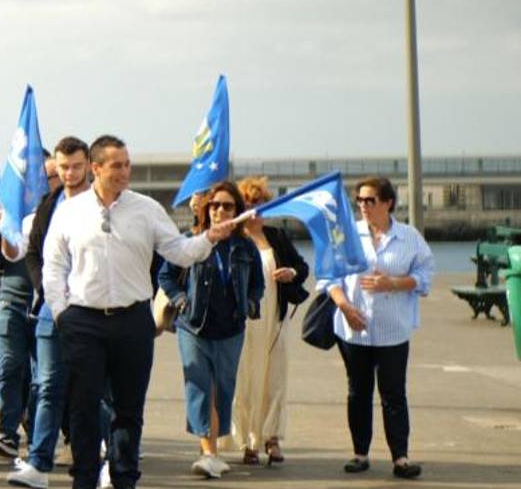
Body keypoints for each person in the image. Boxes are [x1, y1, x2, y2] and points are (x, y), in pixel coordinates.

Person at [42, 135, 235, 489]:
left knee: (128, 411)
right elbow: (53, 267)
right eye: (116, 165)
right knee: (83, 410)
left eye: (127, 164)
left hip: (133, 322)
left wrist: (209, 238)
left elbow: (178, 250)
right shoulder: (70, 212)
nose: (124, 171)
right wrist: (60, 313)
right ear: (96, 168)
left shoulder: (146, 209)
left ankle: (124, 478)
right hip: (82, 322)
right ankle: (83, 480)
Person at [0, 136, 91, 489]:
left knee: (95, 390)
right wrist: (46, 290)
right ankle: (38, 464)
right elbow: (28, 254)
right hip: (52, 309)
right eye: (62, 167)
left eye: (76, 166)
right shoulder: (46, 209)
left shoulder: (105, 205)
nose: (69, 173)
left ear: (90, 166)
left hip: (95, 311)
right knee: (47, 385)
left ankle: (110, 455)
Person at [157, 181, 264, 479]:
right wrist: (180, 300)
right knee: (201, 386)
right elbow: (165, 276)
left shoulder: (245, 247)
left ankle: (211, 447)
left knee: (223, 389)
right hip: (193, 326)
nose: (220, 210)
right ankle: (209, 452)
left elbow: (258, 283)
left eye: (227, 205)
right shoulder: (191, 240)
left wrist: (252, 303)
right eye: (214, 205)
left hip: (231, 328)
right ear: (207, 209)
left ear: (237, 211)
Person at [329, 176, 433, 480]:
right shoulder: (347, 234)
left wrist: (394, 283)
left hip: (393, 330)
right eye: (359, 200)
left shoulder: (409, 237)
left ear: (388, 202)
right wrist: (345, 307)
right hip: (354, 329)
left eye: (369, 200)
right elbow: (329, 277)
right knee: (357, 392)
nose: (363, 206)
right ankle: (360, 453)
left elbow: (426, 275)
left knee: (393, 393)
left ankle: (400, 457)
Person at [224, 176, 309, 466]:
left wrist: (290, 274)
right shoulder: (232, 239)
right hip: (242, 324)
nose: (255, 208)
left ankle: (272, 438)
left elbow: (301, 266)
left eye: (261, 202)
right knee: (244, 381)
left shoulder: (276, 237)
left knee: (274, 380)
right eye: (249, 202)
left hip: (274, 320)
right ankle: (249, 441)